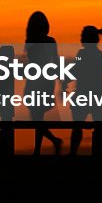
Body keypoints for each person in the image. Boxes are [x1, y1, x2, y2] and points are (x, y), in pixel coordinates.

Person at [24, 11, 63, 155]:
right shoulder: (45, 41)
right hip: (42, 79)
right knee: (37, 115)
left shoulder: (31, 42)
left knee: (36, 115)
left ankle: (40, 148)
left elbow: (55, 61)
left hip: (41, 79)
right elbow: (56, 61)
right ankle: (47, 144)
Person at [69, 25, 102, 157]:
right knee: (100, 127)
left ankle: (73, 153)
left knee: (77, 126)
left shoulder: (81, 54)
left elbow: (76, 68)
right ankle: (100, 153)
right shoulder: (101, 55)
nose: (80, 39)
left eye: (82, 36)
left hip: (83, 94)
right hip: (98, 95)